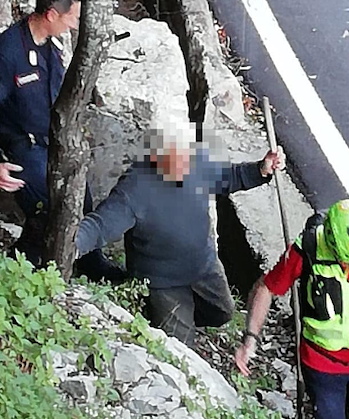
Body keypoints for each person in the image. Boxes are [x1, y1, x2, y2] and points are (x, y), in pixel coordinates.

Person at [75, 126, 286, 347]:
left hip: (204, 266)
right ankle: (153, 312)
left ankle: (174, 315)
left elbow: (229, 176)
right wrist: (74, 243)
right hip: (164, 283)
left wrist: (262, 169)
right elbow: (100, 225)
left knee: (222, 312)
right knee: (182, 347)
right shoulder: (134, 190)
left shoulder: (196, 163)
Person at [236, 199, 349, 419]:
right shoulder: (309, 247)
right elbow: (265, 288)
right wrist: (250, 339)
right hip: (322, 367)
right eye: (347, 262)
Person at [0, 0, 123, 281]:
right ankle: (20, 264)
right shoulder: (8, 52)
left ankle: (92, 263)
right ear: (52, 14)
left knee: (82, 198)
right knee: (49, 208)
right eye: (71, 18)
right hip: (22, 148)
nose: (74, 26)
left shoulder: (48, 45)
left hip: (53, 141)